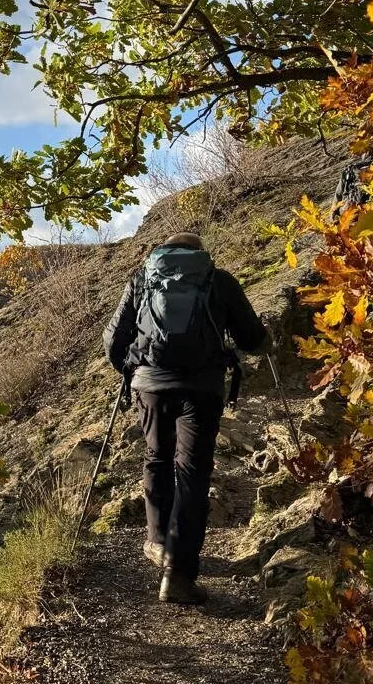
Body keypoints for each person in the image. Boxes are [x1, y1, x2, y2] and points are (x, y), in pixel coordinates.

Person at [102, 232, 267, 604]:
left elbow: (113, 339)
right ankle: (178, 574)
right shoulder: (219, 280)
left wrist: (130, 370)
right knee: (192, 472)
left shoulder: (143, 278)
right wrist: (263, 342)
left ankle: (159, 541)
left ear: (164, 253)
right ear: (201, 256)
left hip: (151, 385)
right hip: (203, 387)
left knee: (157, 457)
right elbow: (250, 338)